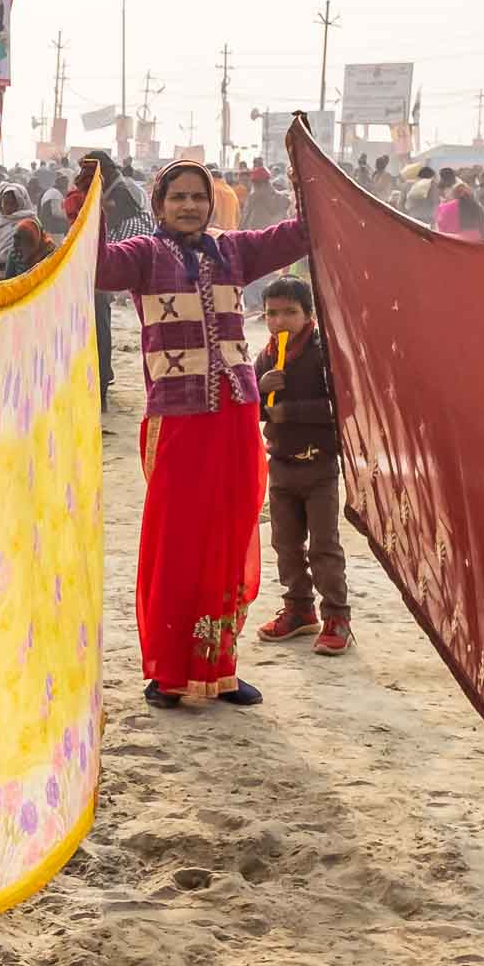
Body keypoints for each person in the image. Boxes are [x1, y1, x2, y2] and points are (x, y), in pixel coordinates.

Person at [89, 156, 310, 708]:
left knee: (231, 534)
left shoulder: (234, 250)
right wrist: (89, 206)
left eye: (198, 196)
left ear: (211, 203)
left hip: (236, 414)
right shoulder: (142, 256)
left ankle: (221, 668)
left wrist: (308, 175)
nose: (189, 206)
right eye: (177, 197)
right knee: (178, 542)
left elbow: (300, 234)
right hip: (178, 419)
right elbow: (93, 269)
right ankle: (168, 672)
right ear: (158, 205)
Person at [251, 277, 349, 655]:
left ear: (309, 315)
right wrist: (260, 389)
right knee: (285, 543)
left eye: (290, 312)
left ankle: (337, 616)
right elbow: (254, 410)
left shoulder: (324, 354)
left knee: (323, 546)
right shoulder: (266, 356)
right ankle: (299, 609)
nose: (280, 321)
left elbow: (340, 408)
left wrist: (289, 411)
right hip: (281, 465)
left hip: (319, 465)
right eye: (272, 313)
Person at [209, 165, 241, 230]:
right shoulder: (231, 191)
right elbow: (238, 216)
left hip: (216, 234)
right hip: (231, 234)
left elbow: (211, 214)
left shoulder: (211, 190)